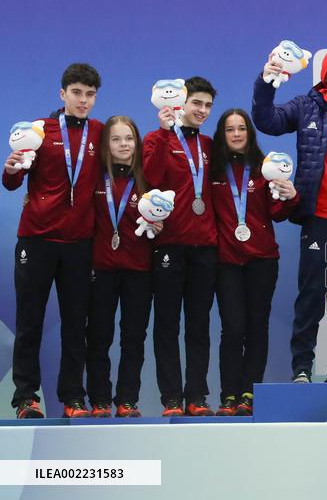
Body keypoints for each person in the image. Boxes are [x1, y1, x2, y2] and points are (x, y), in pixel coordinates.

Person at [253, 45, 327, 384]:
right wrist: (267, 83)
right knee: (311, 297)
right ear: (325, 76)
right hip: (318, 217)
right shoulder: (307, 105)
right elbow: (267, 120)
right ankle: (302, 368)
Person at [3, 63, 104, 419]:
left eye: (90, 95)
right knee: (30, 320)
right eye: (77, 93)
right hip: (37, 238)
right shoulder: (39, 131)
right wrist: (12, 168)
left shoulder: (99, 132)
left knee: (77, 324)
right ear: (62, 94)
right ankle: (26, 398)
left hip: (79, 243)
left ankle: (73, 397)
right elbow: (12, 182)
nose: (83, 100)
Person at [210, 109, 298, 415]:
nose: (236, 134)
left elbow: (277, 213)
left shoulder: (265, 170)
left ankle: (249, 393)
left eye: (241, 129)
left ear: (250, 133)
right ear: (222, 135)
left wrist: (289, 195)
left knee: (256, 326)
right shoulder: (212, 171)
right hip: (226, 262)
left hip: (262, 260)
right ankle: (228, 396)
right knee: (232, 329)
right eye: (230, 130)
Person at [142, 76, 218, 416]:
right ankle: (171, 398)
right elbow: (151, 179)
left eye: (207, 106)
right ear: (181, 103)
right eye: (196, 103)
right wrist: (162, 134)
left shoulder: (210, 145)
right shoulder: (155, 139)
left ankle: (196, 396)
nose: (201, 111)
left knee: (199, 326)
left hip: (205, 247)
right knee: (167, 325)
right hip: (170, 246)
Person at [85, 116, 155, 418]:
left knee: (133, 338)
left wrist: (160, 224)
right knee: (99, 336)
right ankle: (99, 400)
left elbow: (161, 219)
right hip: (101, 269)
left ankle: (127, 399)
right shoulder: (93, 178)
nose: (123, 145)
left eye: (129, 138)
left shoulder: (147, 179)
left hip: (139, 270)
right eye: (116, 139)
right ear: (106, 144)